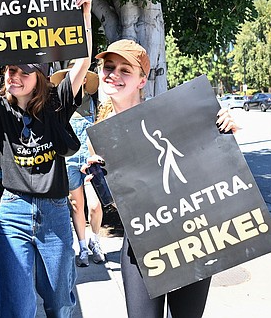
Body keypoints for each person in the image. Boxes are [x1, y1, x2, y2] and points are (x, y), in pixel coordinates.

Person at [83, 39, 238, 318]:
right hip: (141, 246)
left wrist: (225, 127)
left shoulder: (173, 115)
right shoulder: (100, 134)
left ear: (142, 81)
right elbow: (114, 209)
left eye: (124, 69)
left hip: (192, 239)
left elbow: (211, 167)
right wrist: (100, 182)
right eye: (108, 67)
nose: (113, 74)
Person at [0, 0, 93, 317]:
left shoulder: (56, 105)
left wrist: (84, 17)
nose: (16, 77)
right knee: (16, 304)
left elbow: (82, 63)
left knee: (60, 300)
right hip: (13, 211)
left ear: (40, 78)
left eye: (25, 72)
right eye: (11, 71)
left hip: (54, 211)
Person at [50, 66, 105, 267]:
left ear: (84, 80)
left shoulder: (94, 101)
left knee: (95, 205)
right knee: (76, 205)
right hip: (69, 160)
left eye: (79, 76)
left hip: (90, 160)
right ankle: (82, 247)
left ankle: (95, 240)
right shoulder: (58, 104)